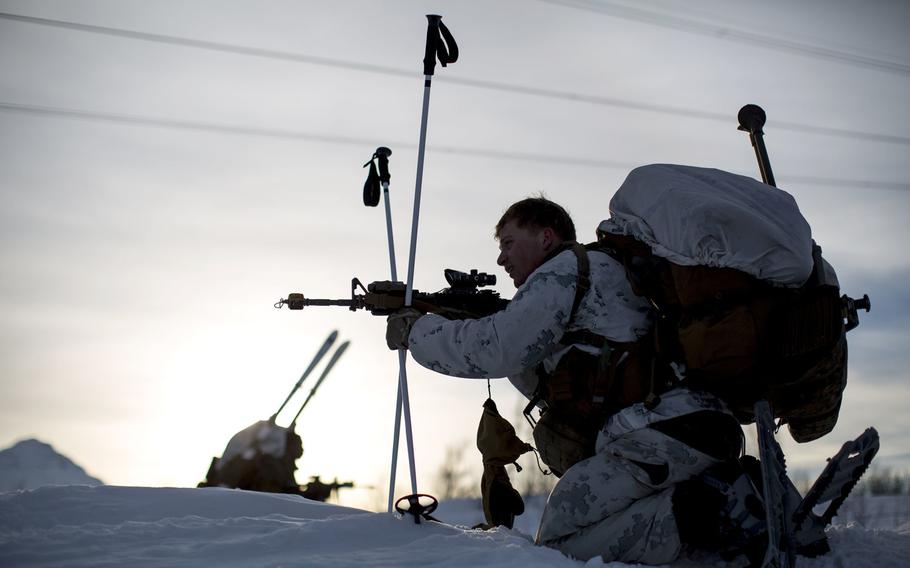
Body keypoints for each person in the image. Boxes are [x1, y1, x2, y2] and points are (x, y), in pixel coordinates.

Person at [386, 197, 744, 564]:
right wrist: (465, 317)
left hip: (665, 431)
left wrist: (417, 332)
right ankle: (726, 517)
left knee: (562, 540)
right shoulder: (596, 278)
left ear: (545, 237)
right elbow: (535, 372)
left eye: (508, 243)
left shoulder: (562, 271)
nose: (501, 259)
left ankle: (722, 515)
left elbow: (499, 347)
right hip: (690, 430)